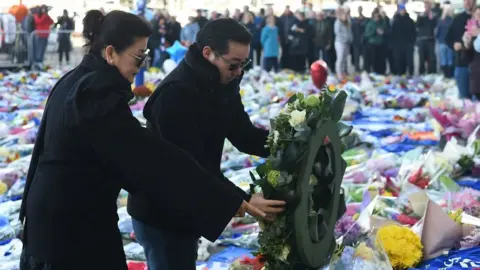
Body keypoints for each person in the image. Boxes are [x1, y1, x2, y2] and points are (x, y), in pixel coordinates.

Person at [19, 10, 264, 270]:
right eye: (138, 58)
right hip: (71, 226)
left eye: (146, 56)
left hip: (58, 221)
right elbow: (149, 161)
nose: (141, 67)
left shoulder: (78, 81)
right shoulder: (95, 96)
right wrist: (234, 201)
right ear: (110, 53)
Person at [129, 18, 285, 270]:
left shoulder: (223, 82)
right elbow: (188, 167)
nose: (238, 72)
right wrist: (241, 201)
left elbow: (243, 133)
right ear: (208, 53)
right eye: (233, 65)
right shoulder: (175, 94)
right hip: (161, 209)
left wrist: (291, 143)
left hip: (189, 203)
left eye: (244, 64)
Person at [445, 0, 476, 99]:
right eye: (466, 0)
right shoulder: (458, 18)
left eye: (470, 0)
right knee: (464, 99)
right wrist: (454, 45)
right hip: (462, 64)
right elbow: (448, 38)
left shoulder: (478, 17)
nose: (468, 3)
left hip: (477, 66)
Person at [391, 4, 415, 76]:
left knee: (409, 60)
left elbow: (413, 32)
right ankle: (400, 73)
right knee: (399, 59)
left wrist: (412, 41)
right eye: (401, 10)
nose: (402, 11)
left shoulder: (410, 20)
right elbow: (392, 32)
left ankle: (410, 73)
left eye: (403, 10)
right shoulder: (396, 20)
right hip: (398, 44)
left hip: (408, 43)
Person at [334, 7, 353, 78]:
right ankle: (339, 74)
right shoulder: (338, 22)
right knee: (340, 58)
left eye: (347, 15)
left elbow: (350, 32)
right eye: (344, 15)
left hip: (347, 43)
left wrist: (350, 39)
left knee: (345, 58)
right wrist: (345, 39)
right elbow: (337, 33)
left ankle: (345, 72)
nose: (346, 16)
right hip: (340, 43)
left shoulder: (347, 22)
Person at [436, 6, 455, 78]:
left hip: (442, 42)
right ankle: (450, 75)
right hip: (450, 43)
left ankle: (445, 75)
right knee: (450, 59)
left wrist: (439, 39)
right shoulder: (453, 21)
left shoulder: (441, 21)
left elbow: (437, 33)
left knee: (443, 59)